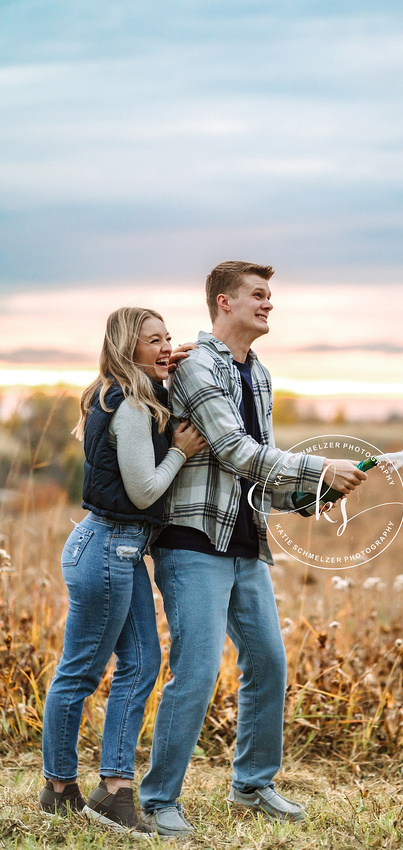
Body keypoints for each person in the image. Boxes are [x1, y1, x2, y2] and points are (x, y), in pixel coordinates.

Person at [138, 261, 367, 837]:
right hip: (193, 541)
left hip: (245, 541)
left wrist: (305, 493)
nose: (269, 305)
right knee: (195, 670)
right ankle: (158, 798)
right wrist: (319, 465)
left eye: (270, 297)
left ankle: (252, 785)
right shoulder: (194, 366)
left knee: (267, 661)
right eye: (259, 296)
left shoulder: (259, 373)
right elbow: (235, 450)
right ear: (224, 302)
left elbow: (259, 464)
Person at [39, 307, 206, 837]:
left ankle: (114, 790)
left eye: (168, 338)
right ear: (124, 347)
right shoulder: (130, 406)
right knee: (82, 672)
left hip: (117, 547)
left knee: (140, 663)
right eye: (152, 340)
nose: (164, 347)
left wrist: (169, 365)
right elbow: (145, 491)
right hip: (108, 546)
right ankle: (60, 786)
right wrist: (179, 451)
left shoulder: (113, 392)